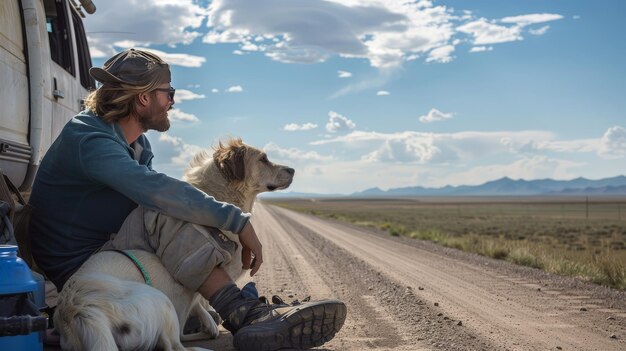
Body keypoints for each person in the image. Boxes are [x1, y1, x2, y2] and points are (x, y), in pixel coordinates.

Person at [29, 48, 346, 350]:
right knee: (165, 211)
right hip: (80, 267)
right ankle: (243, 312)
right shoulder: (90, 139)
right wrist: (238, 220)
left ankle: (242, 304)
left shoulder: (138, 146)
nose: (172, 101)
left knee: (175, 221)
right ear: (143, 98)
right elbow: (158, 193)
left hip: (112, 250)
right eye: (169, 92)